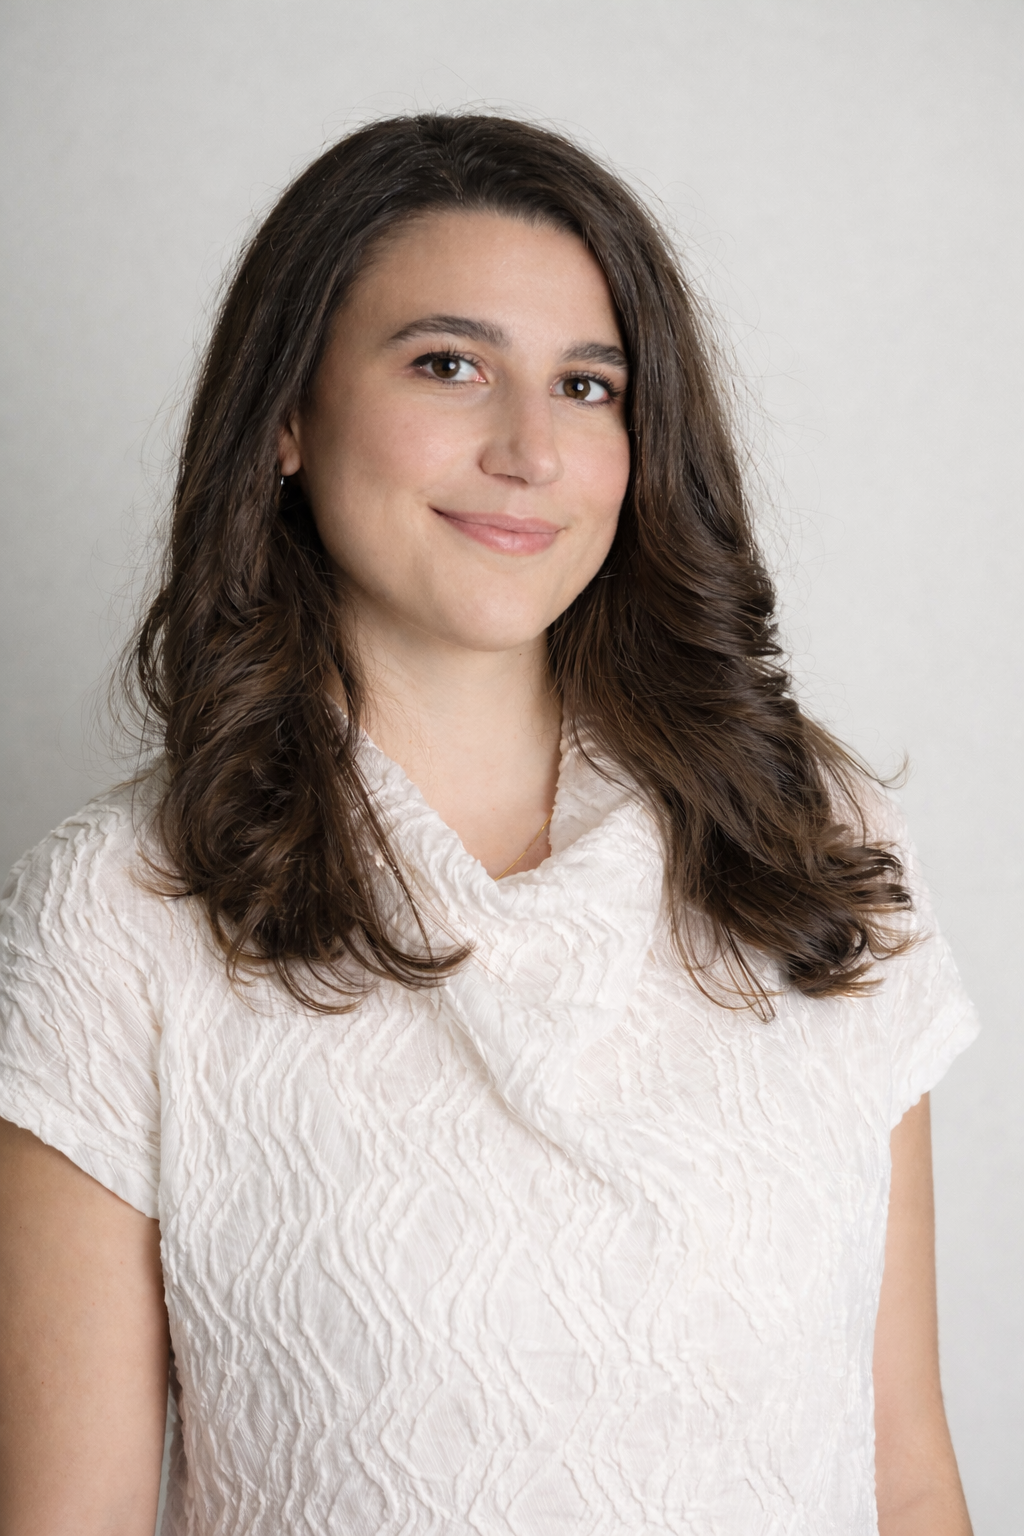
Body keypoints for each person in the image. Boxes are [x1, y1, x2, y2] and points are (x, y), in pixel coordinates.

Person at [0, 113, 978, 1536]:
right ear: (286, 417)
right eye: (448, 365)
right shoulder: (118, 908)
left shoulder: (809, 845)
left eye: (588, 385)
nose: (530, 449)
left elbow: (907, 1473)